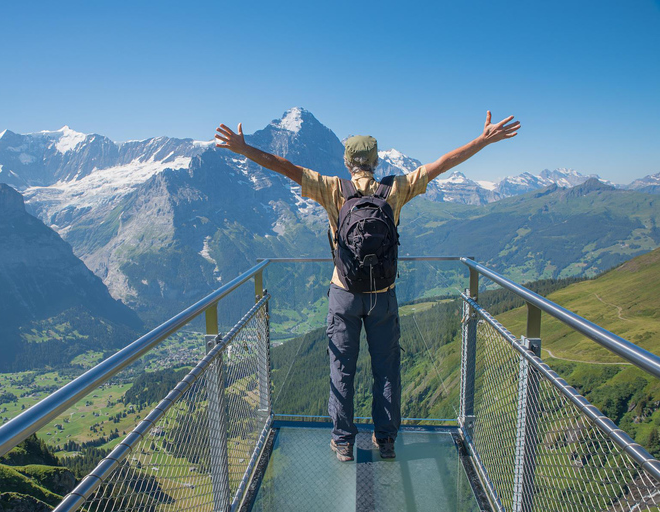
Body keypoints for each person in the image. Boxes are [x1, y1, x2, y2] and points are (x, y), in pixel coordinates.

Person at [215, 111, 520, 461]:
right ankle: (386, 440)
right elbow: (442, 164)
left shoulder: (333, 189)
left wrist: (244, 148)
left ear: (347, 162)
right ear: (376, 162)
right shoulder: (396, 189)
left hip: (343, 294)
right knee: (386, 369)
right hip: (382, 297)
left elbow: (284, 166)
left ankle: (343, 442)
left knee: (342, 368)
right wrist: (483, 140)